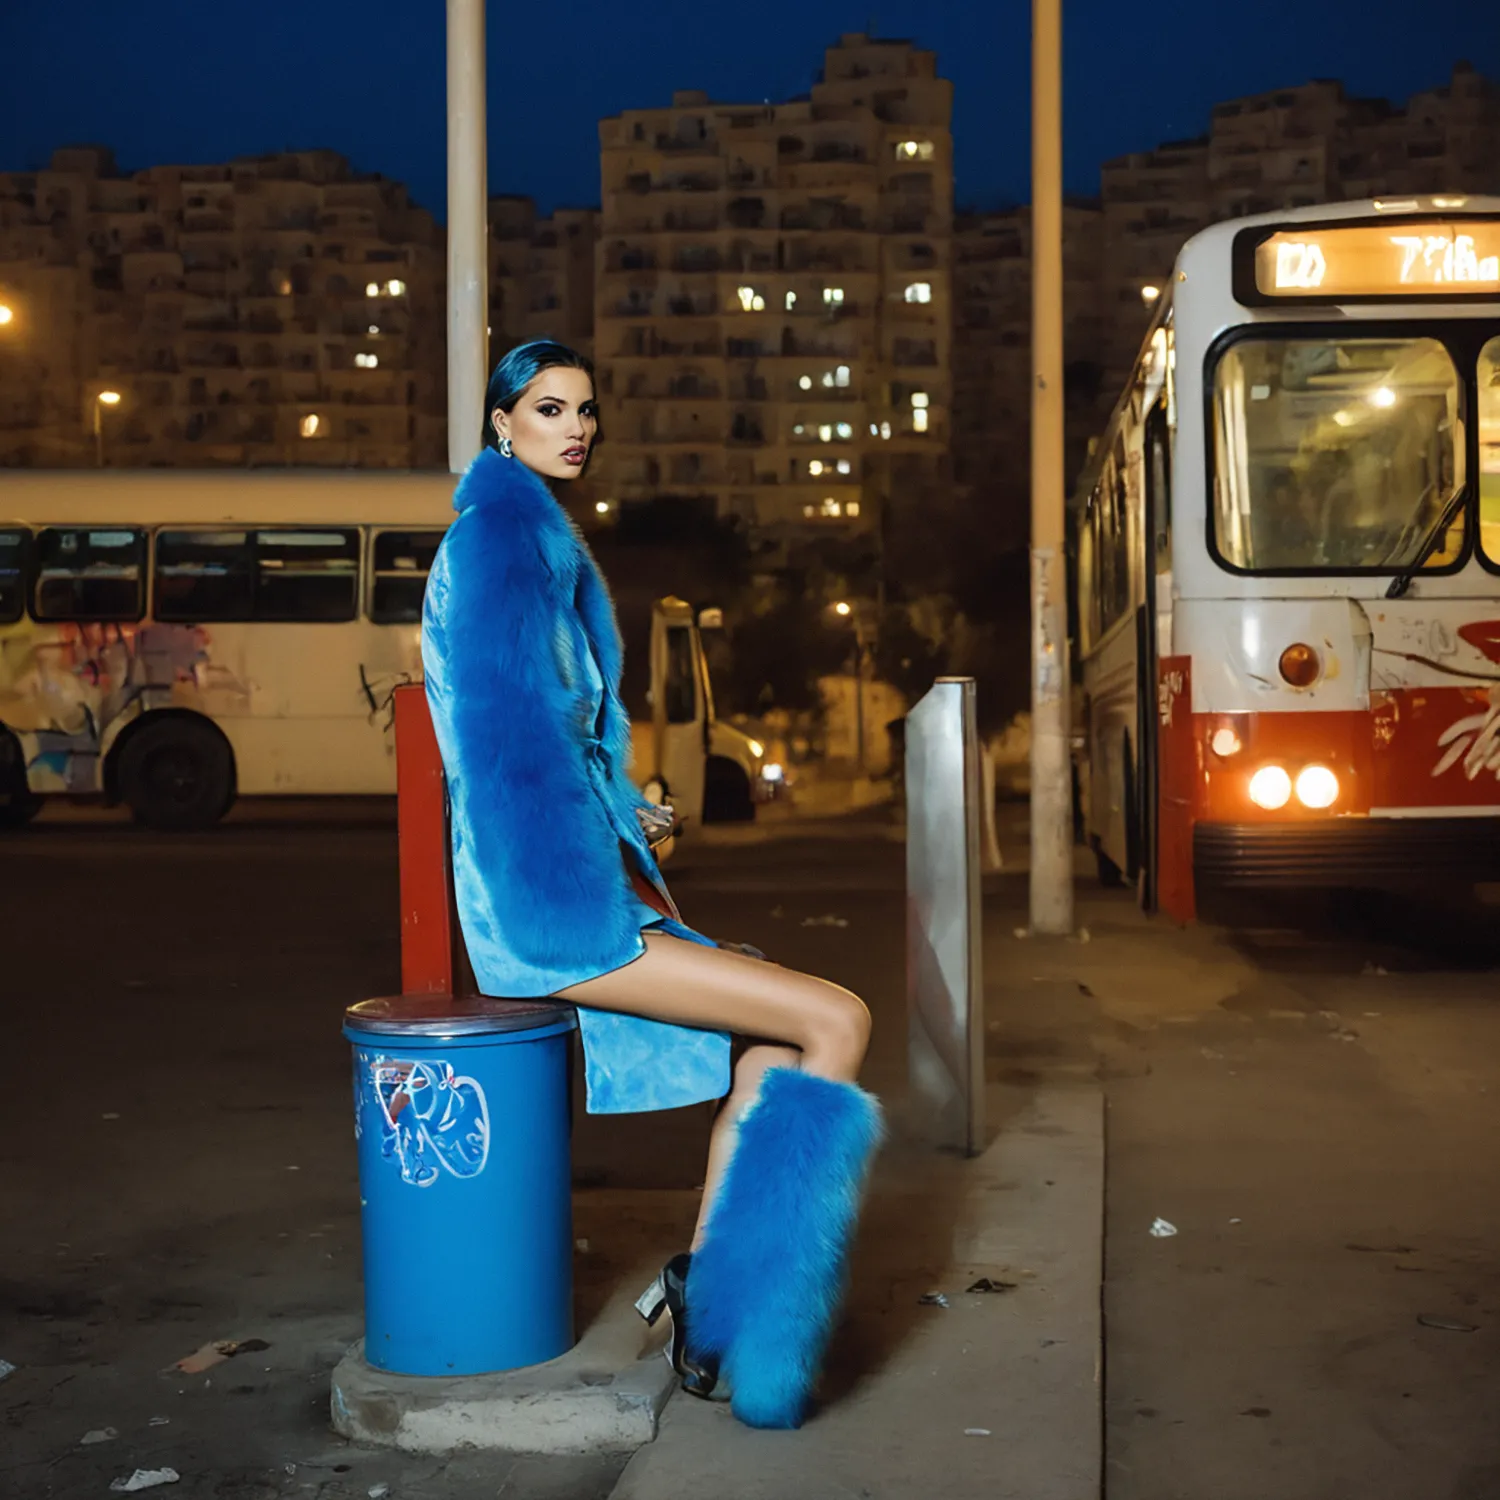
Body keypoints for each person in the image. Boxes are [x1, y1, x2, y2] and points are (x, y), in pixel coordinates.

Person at [420, 340, 879, 1431]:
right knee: (836, 1019)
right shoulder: (497, 541)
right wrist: (584, 902)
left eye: (584, 411)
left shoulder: (534, 539)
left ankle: (714, 1304)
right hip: (551, 911)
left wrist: (633, 817)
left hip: (579, 886)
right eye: (547, 409)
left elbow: (561, 751)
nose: (573, 428)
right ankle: (753, 1325)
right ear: (501, 426)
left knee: (778, 1042)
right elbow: (506, 760)